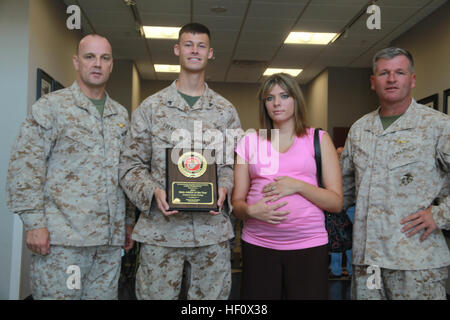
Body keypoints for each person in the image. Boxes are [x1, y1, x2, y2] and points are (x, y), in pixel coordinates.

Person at [6, 34, 134, 300]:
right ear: (77, 62)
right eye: (90, 57)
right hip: (62, 242)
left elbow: (126, 172)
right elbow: (25, 167)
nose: (97, 64)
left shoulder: (120, 115)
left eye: (104, 58)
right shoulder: (51, 107)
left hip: (108, 245)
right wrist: (34, 223)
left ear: (111, 65)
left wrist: (127, 223)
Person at [119, 22, 242, 300]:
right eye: (188, 44)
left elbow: (230, 165)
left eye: (201, 45)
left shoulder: (225, 111)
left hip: (211, 234)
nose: (194, 50)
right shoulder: (151, 108)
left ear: (210, 53)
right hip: (161, 233)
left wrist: (223, 187)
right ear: (177, 49)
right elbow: (130, 166)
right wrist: (153, 192)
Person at [340, 47, 449, 300]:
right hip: (367, 262)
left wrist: (440, 215)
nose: (391, 79)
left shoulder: (438, 126)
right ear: (372, 82)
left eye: (399, 72)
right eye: (384, 73)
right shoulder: (359, 130)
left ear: (412, 80)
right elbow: (343, 191)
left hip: (416, 260)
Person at [231, 73, 343, 299]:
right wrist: (251, 211)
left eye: (284, 96)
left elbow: (336, 203)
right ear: (264, 104)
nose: (277, 103)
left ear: (296, 100)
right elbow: (237, 203)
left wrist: (298, 186)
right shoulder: (250, 141)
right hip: (258, 245)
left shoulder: (318, 138)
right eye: (269, 98)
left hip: (308, 246)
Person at [329, 147, 354, 279]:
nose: (339, 156)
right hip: (335, 208)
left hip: (350, 207)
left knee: (349, 239)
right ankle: (335, 270)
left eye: (341, 154)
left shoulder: (351, 169)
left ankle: (351, 271)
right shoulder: (331, 168)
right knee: (335, 238)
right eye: (337, 154)